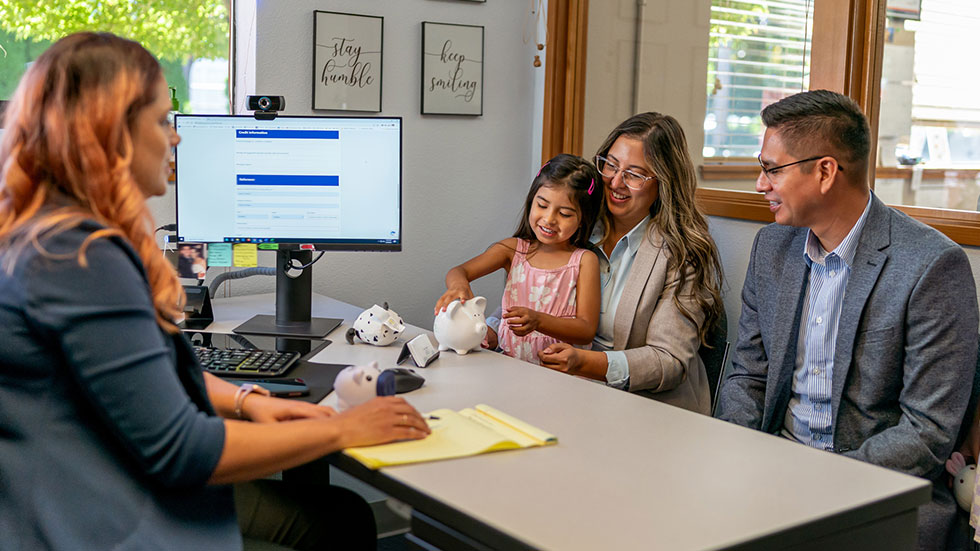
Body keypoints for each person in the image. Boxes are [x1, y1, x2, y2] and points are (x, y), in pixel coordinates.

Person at [0, 32, 430, 550]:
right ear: (110, 133)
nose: (176, 137)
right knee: (342, 520)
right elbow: (183, 450)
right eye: (162, 120)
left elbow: (150, 377)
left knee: (340, 516)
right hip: (106, 517)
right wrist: (344, 429)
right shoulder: (81, 259)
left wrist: (247, 399)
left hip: (84, 484)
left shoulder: (45, 236)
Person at [715, 89, 979, 551]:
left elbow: (927, 433)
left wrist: (818, 483)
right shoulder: (771, 249)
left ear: (825, 171)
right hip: (770, 475)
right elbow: (747, 374)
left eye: (771, 169)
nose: (761, 184)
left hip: (877, 497)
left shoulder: (932, 266)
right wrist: (746, 461)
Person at [498, 113, 723, 414]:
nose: (615, 182)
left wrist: (586, 363)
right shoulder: (573, 225)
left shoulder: (682, 254)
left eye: (635, 174)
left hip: (643, 408)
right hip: (556, 391)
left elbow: (669, 361)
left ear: (664, 183)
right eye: (611, 165)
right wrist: (489, 328)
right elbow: (527, 294)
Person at [435, 153, 602, 365]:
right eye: (542, 205)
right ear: (532, 201)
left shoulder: (584, 261)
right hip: (510, 368)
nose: (549, 219)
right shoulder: (513, 250)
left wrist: (539, 321)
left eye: (565, 214)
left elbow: (586, 330)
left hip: (560, 375)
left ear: (582, 220)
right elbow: (459, 271)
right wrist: (459, 286)